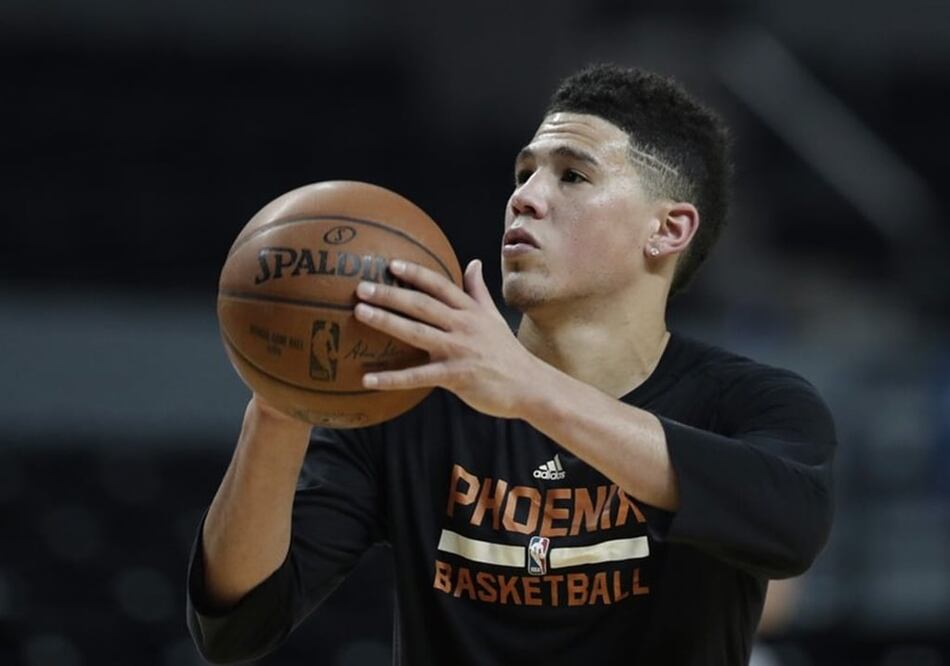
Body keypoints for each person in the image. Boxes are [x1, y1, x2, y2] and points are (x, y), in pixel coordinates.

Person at [186, 63, 836, 665]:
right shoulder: (403, 398)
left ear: (667, 230)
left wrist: (527, 389)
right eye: (524, 173)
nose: (525, 197)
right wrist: (280, 404)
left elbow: (794, 521)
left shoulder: (751, 402)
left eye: (572, 176)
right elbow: (237, 624)